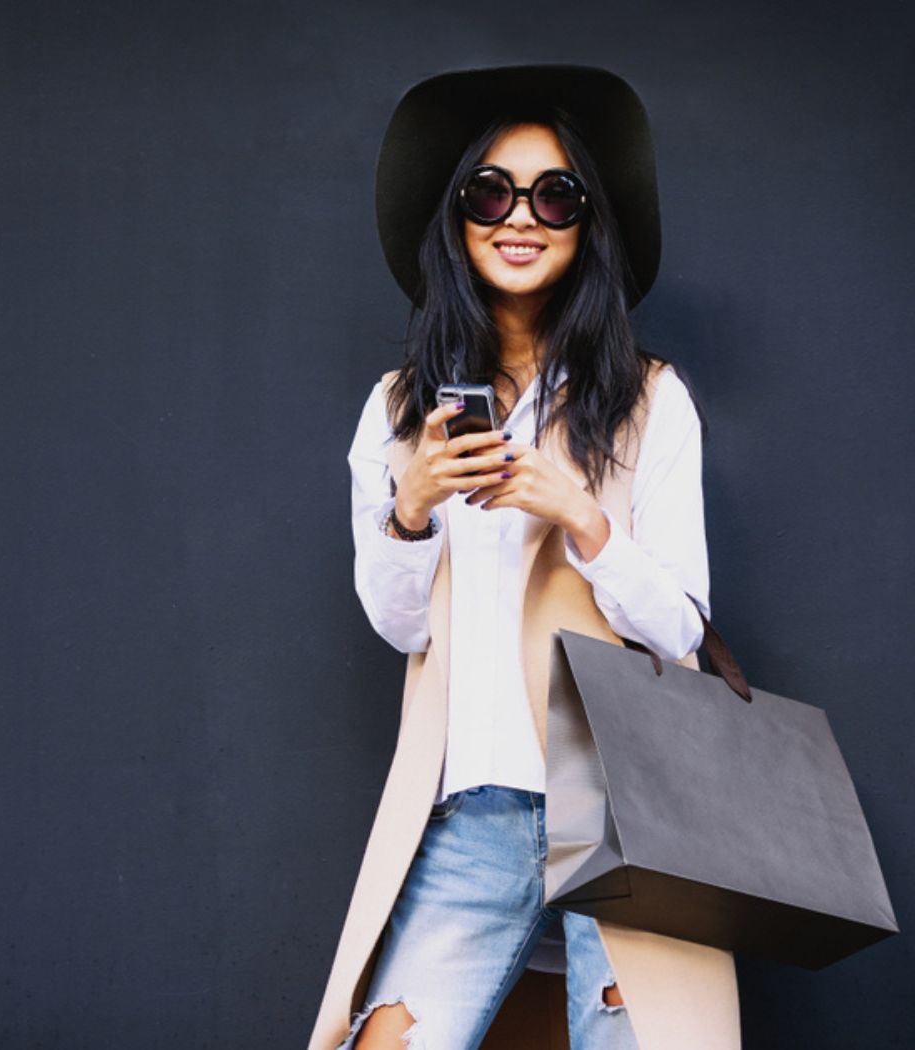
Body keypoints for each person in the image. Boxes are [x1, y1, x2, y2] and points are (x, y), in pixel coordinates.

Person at [307, 66, 743, 1050]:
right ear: (454, 218)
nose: (520, 216)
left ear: (585, 223)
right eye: (488, 191)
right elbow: (399, 627)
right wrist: (408, 508)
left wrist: (580, 517)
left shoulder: (645, 400)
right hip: (474, 811)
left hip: (629, 812)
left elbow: (678, 626)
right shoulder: (397, 411)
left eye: (554, 195)